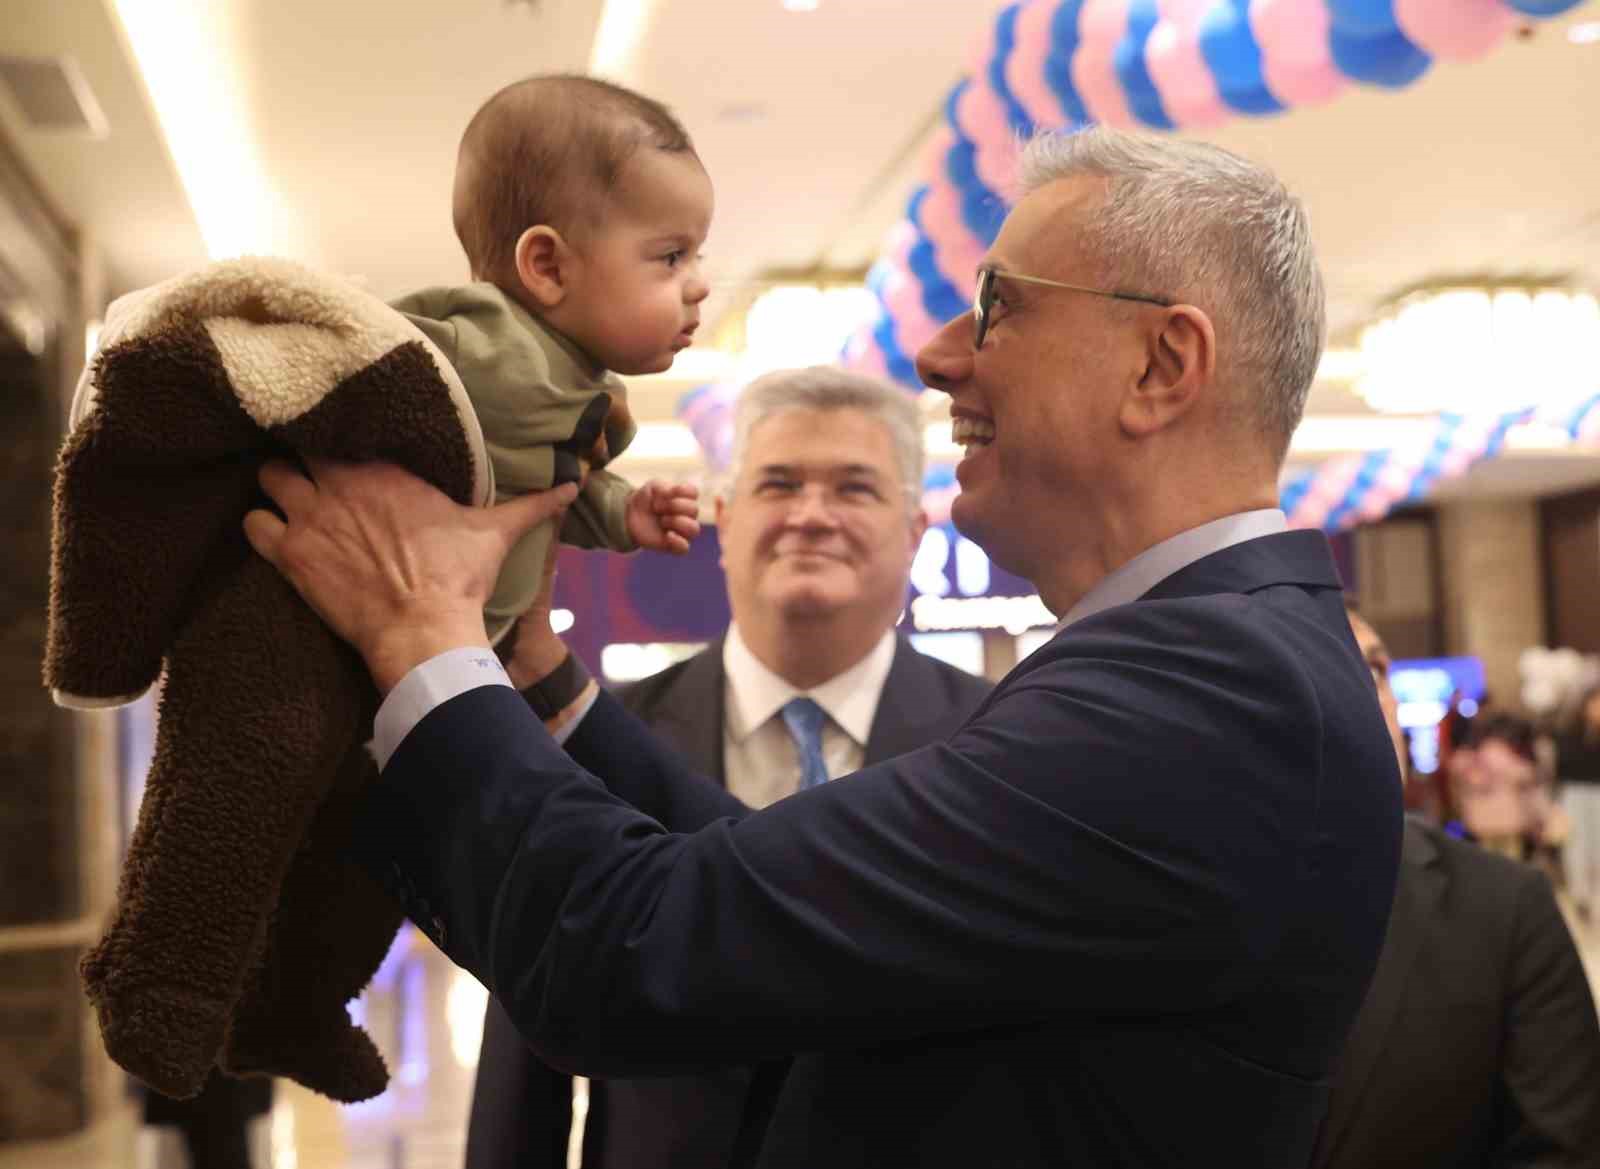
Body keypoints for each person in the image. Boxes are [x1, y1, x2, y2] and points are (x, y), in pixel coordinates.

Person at [244, 127, 1404, 1168]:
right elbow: (788, 896)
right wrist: (542, 682)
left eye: (1000, 305)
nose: (942, 354)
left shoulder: (1209, 689)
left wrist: (424, 633)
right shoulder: (1210, 663)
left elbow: (642, 942)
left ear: (1161, 366)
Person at [465, 367, 993, 1168]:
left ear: (916, 530)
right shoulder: (590, 738)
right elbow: (529, 1029)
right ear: (724, 516)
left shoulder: (997, 741)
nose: (811, 515)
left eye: (855, 488)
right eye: (778, 483)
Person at [392, 74, 707, 642]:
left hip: (461, 650)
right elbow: (358, 347)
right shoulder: (486, 341)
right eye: (671, 257)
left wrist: (622, 511)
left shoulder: (586, 388)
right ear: (549, 267)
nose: (700, 285)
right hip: (359, 628)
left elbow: (554, 493)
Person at [1313, 612, 1600, 1169]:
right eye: (1330, 661)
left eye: (1376, 668)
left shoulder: (1506, 908)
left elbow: (1564, 1145)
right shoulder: (1170, 907)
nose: (1368, 695)